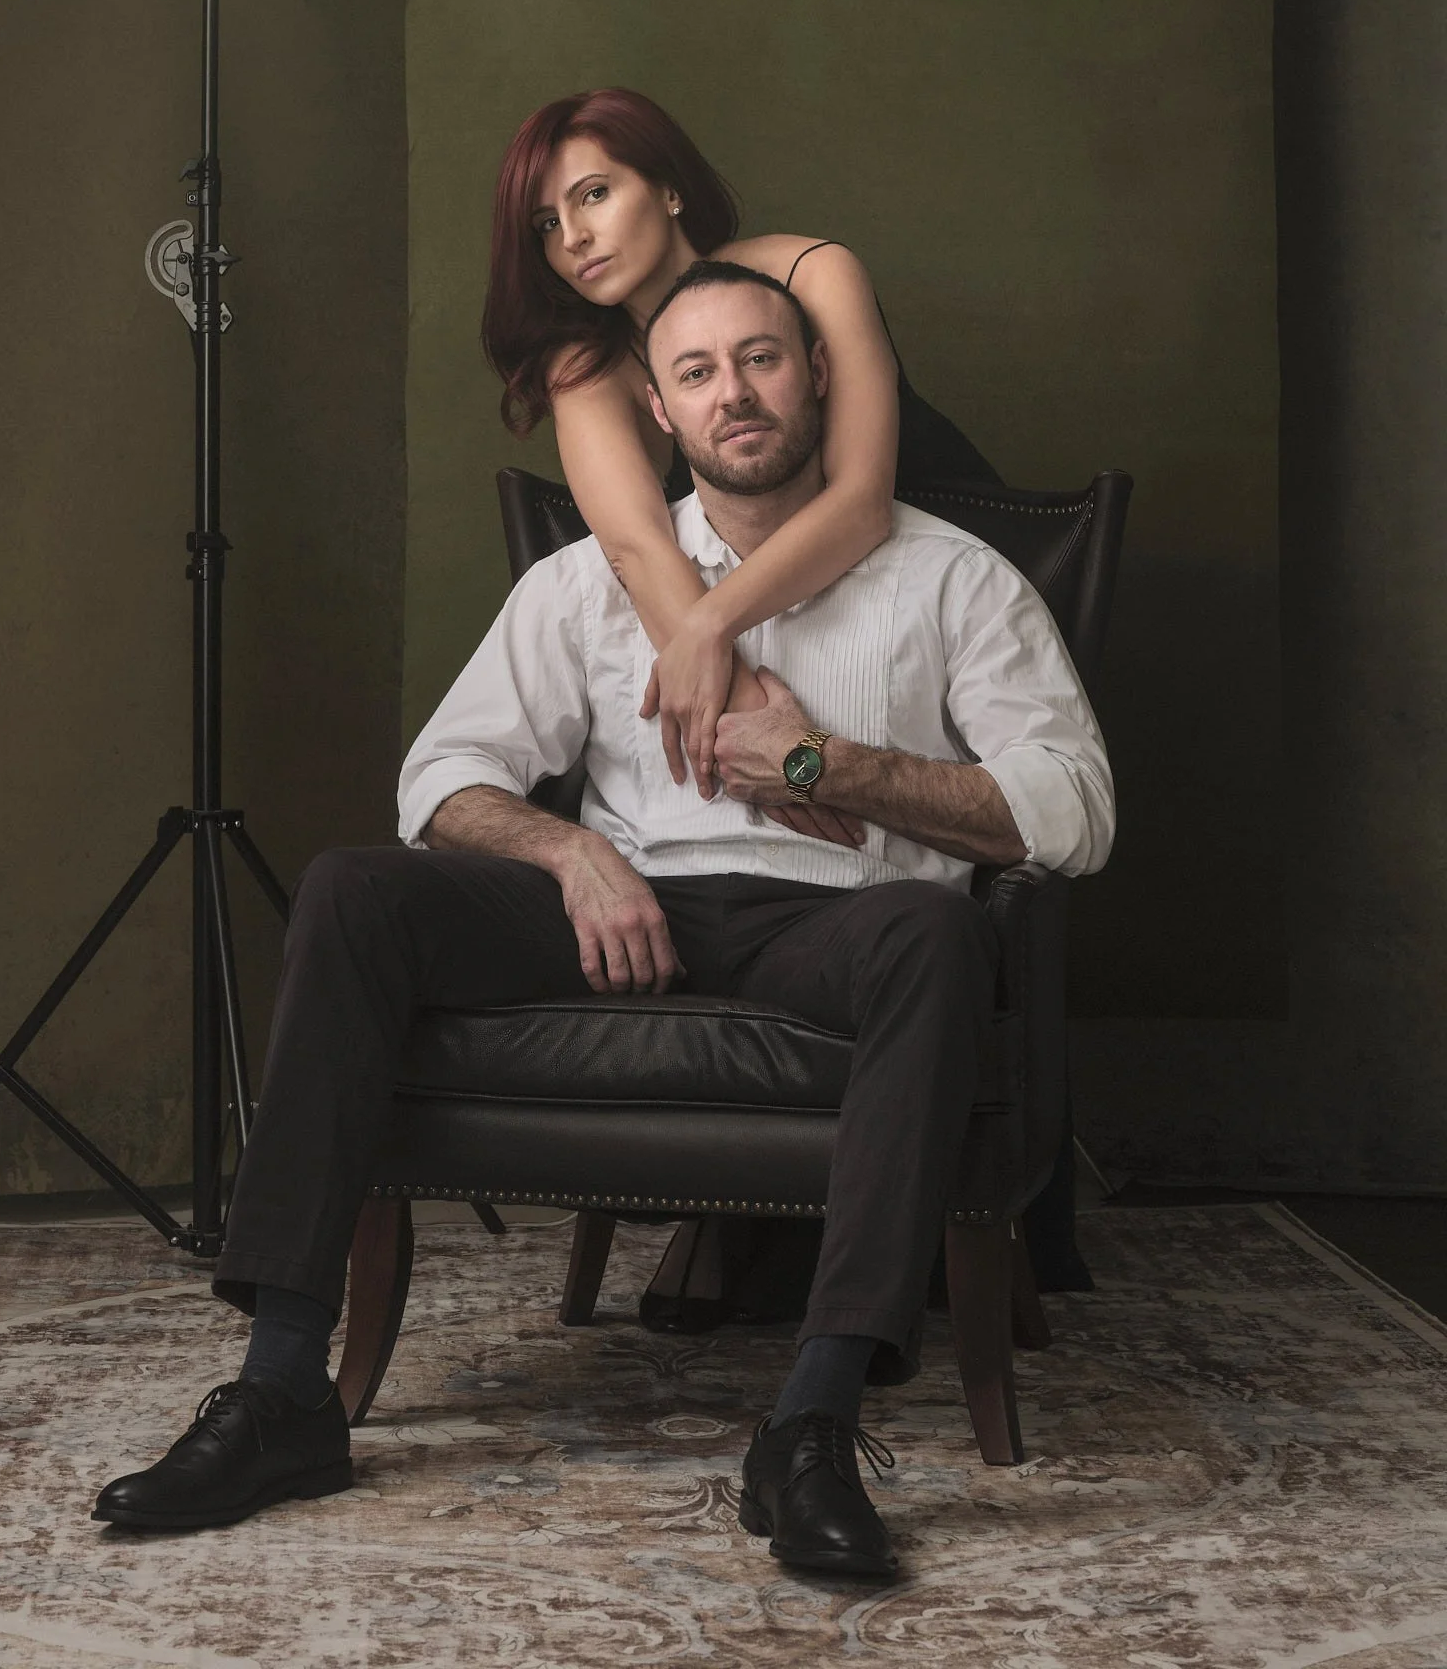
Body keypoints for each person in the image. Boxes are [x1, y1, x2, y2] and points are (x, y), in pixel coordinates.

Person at [91, 259, 1113, 1577]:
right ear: (660, 409)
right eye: (697, 372)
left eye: (762, 358)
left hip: (843, 924)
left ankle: (809, 1423)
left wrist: (827, 768)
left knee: (938, 931)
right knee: (355, 887)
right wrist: (568, 849)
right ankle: (285, 1388)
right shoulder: (589, 584)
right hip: (630, 910)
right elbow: (439, 781)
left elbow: (1075, 809)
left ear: (819, 377)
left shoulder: (954, 580)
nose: (734, 393)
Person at [482, 86, 998, 829]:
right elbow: (637, 550)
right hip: (790, 639)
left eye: (593, 194)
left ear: (667, 189)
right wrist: (775, 748)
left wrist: (708, 630)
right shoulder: (587, 369)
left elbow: (859, 505)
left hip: (929, 579)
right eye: (546, 224)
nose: (573, 238)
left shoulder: (813, 274)